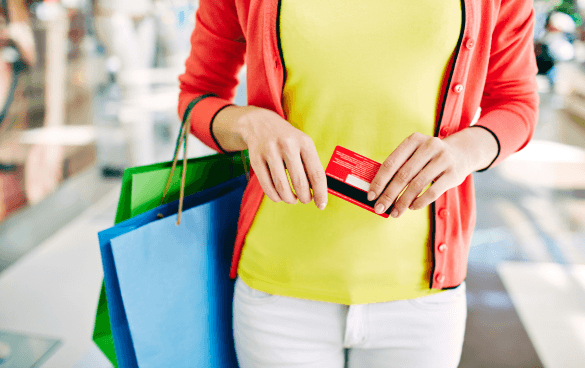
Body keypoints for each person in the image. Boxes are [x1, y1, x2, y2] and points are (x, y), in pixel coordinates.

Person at [178, 0, 538, 367]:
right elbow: (196, 96)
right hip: (279, 290)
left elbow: (517, 102)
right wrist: (249, 124)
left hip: (422, 297)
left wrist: (464, 152)